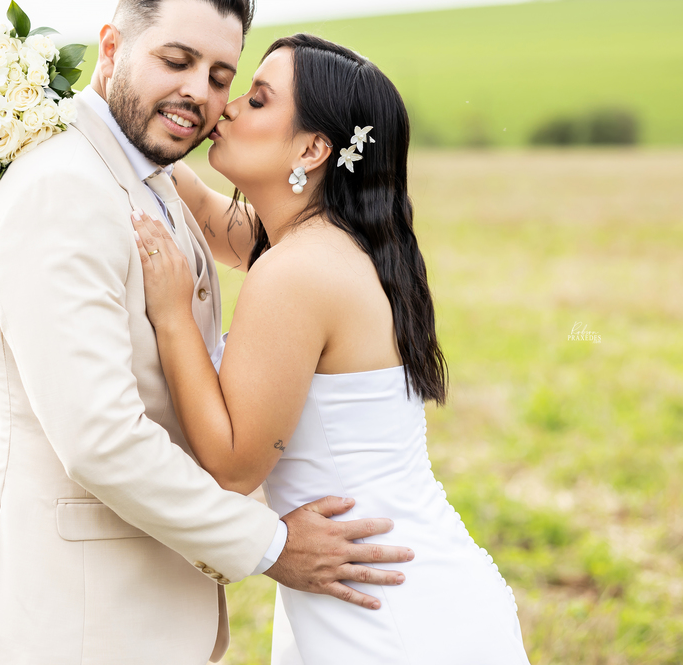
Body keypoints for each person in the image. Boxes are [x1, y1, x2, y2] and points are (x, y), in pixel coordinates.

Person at [0, 0, 414, 665]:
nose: (200, 95)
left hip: (129, 612)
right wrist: (271, 545)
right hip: (77, 620)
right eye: (176, 61)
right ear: (112, 48)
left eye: (221, 78)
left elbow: (266, 236)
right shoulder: (65, 191)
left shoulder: (143, 176)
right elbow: (100, 439)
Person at [132, 34, 531, 664]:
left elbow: (235, 467)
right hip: (388, 580)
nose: (228, 107)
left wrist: (174, 315)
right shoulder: (332, 243)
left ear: (315, 149)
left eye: (257, 100)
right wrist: (115, 111)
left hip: (386, 606)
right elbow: (205, 211)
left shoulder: (297, 272)